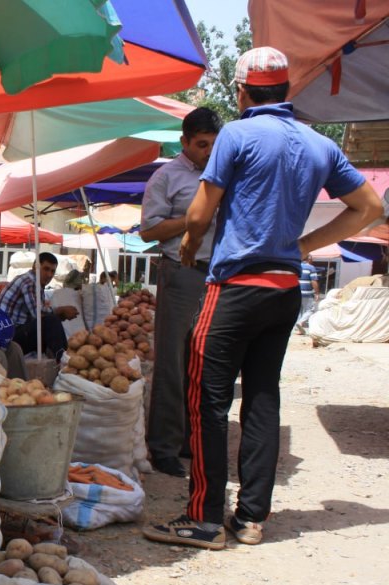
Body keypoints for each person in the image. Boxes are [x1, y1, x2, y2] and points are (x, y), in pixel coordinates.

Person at [143, 47, 382, 550]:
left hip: (234, 286)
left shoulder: (236, 134)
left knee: (207, 399)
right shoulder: (319, 144)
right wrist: (305, 246)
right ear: (286, 89)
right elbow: (370, 206)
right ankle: (251, 518)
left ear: (242, 91)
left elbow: (198, 216)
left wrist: (188, 249)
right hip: (285, 288)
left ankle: (204, 517)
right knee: (262, 398)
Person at [139, 107, 223, 478]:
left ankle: (192, 440)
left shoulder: (224, 174)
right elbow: (148, 231)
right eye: (201, 144)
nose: (207, 151)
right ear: (185, 142)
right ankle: (163, 447)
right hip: (180, 272)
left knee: (204, 363)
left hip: (217, 274)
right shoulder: (166, 177)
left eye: (213, 145)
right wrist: (192, 220)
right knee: (172, 364)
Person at [0, 252, 79, 361]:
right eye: (46, 269)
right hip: (8, 336)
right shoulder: (29, 282)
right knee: (51, 320)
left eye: (52, 271)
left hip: (13, 332)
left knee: (52, 321)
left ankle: (63, 355)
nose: (49, 275)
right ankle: (63, 359)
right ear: (35, 267)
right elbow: (38, 314)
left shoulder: (36, 283)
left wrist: (59, 314)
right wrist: (60, 310)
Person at [296, 257, 320, 333]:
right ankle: (301, 322)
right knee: (310, 310)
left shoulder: (297, 266)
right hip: (307, 293)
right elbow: (313, 281)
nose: (313, 260)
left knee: (299, 310)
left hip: (297, 292)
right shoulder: (311, 267)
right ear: (309, 259)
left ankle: (299, 329)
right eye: (312, 259)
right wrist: (317, 293)